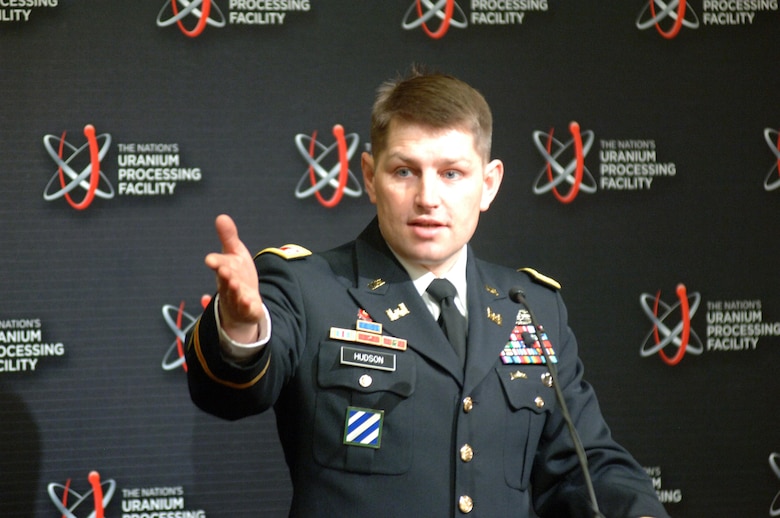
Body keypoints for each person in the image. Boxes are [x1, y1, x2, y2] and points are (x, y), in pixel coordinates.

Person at [186, 68, 669, 517]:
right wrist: (242, 331)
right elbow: (228, 397)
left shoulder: (533, 306)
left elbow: (584, 464)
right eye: (404, 171)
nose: (428, 198)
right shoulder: (308, 286)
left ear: (489, 183)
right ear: (370, 178)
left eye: (452, 173)